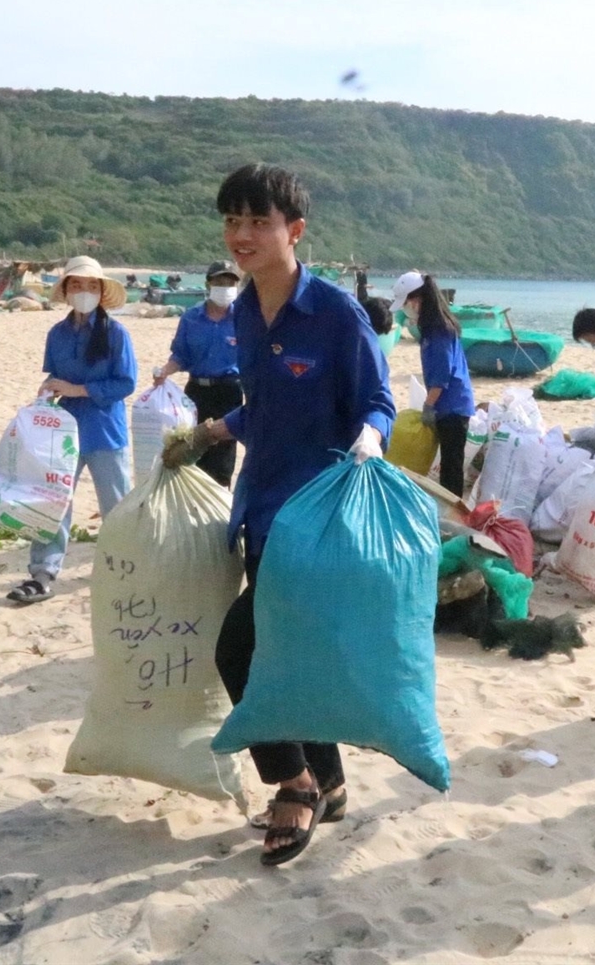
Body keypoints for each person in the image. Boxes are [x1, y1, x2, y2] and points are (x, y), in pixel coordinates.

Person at [163, 163, 394, 866]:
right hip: (259, 510)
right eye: (232, 221)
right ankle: (330, 779)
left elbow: (377, 401)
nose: (242, 236)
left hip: (317, 519)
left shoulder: (334, 312)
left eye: (257, 222)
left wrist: (369, 439)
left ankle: (293, 782)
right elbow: (264, 408)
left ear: (293, 230)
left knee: (242, 647)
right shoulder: (240, 310)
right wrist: (211, 432)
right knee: (292, 649)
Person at [7, 256, 137, 604]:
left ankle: (127, 568)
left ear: (101, 291)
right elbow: (53, 377)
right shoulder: (57, 334)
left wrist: (79, 389)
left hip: (105, 431)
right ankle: (43, 572)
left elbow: (125, 384)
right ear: (65, 290)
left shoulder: (116, 334)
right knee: (53, 502)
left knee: (117, 504)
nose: (84, 291)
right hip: (62, 432)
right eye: (77, 285)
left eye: (91, 285)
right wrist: (49, 389)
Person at [153, 260, 242, 487]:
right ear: (208, 284)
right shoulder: (191, 318)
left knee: (222, 458)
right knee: (190, 452)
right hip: (195, 394)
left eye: (230, 283)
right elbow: (180, 356)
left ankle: (219, 509)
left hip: (229, 392)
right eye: (219, 282)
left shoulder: (244, 318)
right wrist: (165, 371)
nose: (225, 288)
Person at [393, 271, 476, 498]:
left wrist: (428, 405)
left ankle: (453, 509)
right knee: (449, 462)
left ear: (417, 299)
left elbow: (442, 375)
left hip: (453, 405)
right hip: (446, 404)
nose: (406, 309)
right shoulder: (432, 328)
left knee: (451, 465)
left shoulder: (439, 330)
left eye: (406, 303)